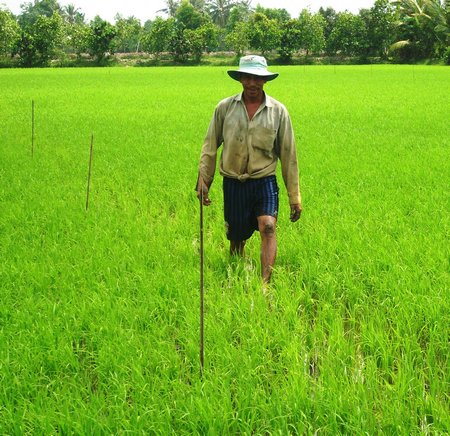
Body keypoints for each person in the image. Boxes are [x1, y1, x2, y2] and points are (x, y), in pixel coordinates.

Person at [196, 55, 302, 284]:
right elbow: (210, 145)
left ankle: (265, 283)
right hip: (233, 181)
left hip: (263, 179)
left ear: (265, 80)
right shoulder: (224, 108)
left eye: (257, 78)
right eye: (248, 77)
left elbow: (288, 155)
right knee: (236, 237)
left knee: (268, 226)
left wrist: (294, 196)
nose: (252, 83)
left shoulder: (278, 111)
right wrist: (204, 180)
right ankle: (235, 276)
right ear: (241, 79)